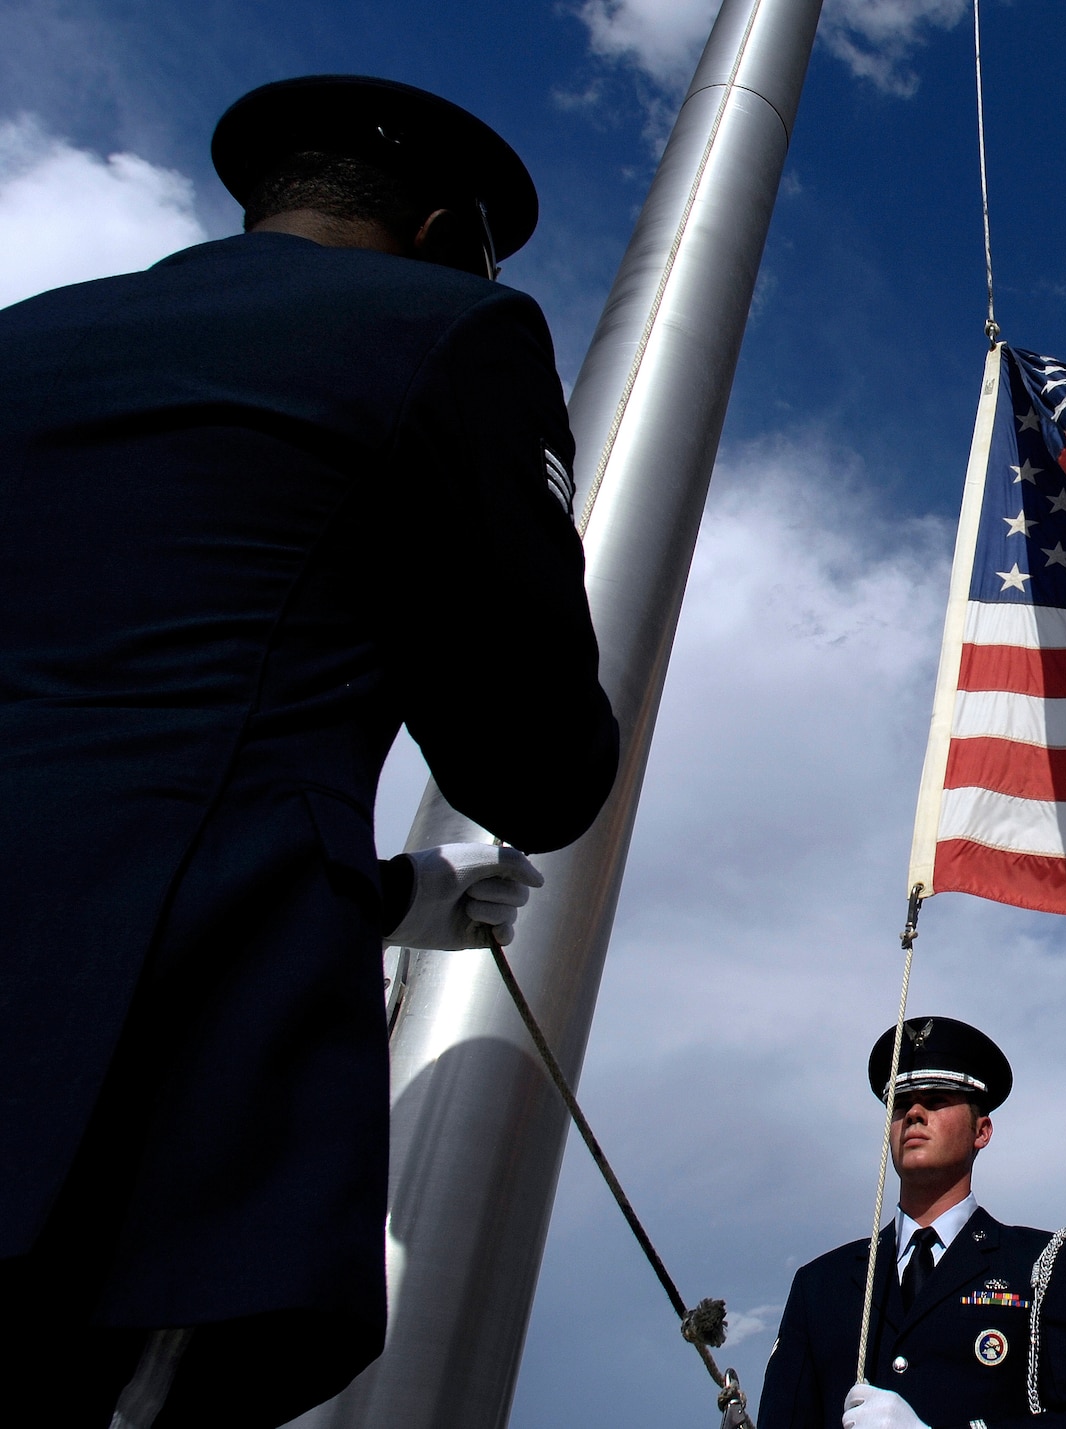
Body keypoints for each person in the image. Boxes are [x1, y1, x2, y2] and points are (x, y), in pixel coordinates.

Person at [0, 75, 620, 1428]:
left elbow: (99, 756)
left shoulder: (25, 338)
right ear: (451, 234)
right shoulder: (452, 328)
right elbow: (535, 762)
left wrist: (392, 897)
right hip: (120, 1108)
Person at [759, 1018, 1066, 1429]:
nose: (914, 1113)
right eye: (901, 1105)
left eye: (936, 1100)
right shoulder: (821, 1287)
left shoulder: (1038, 1266)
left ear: (982, 1130)